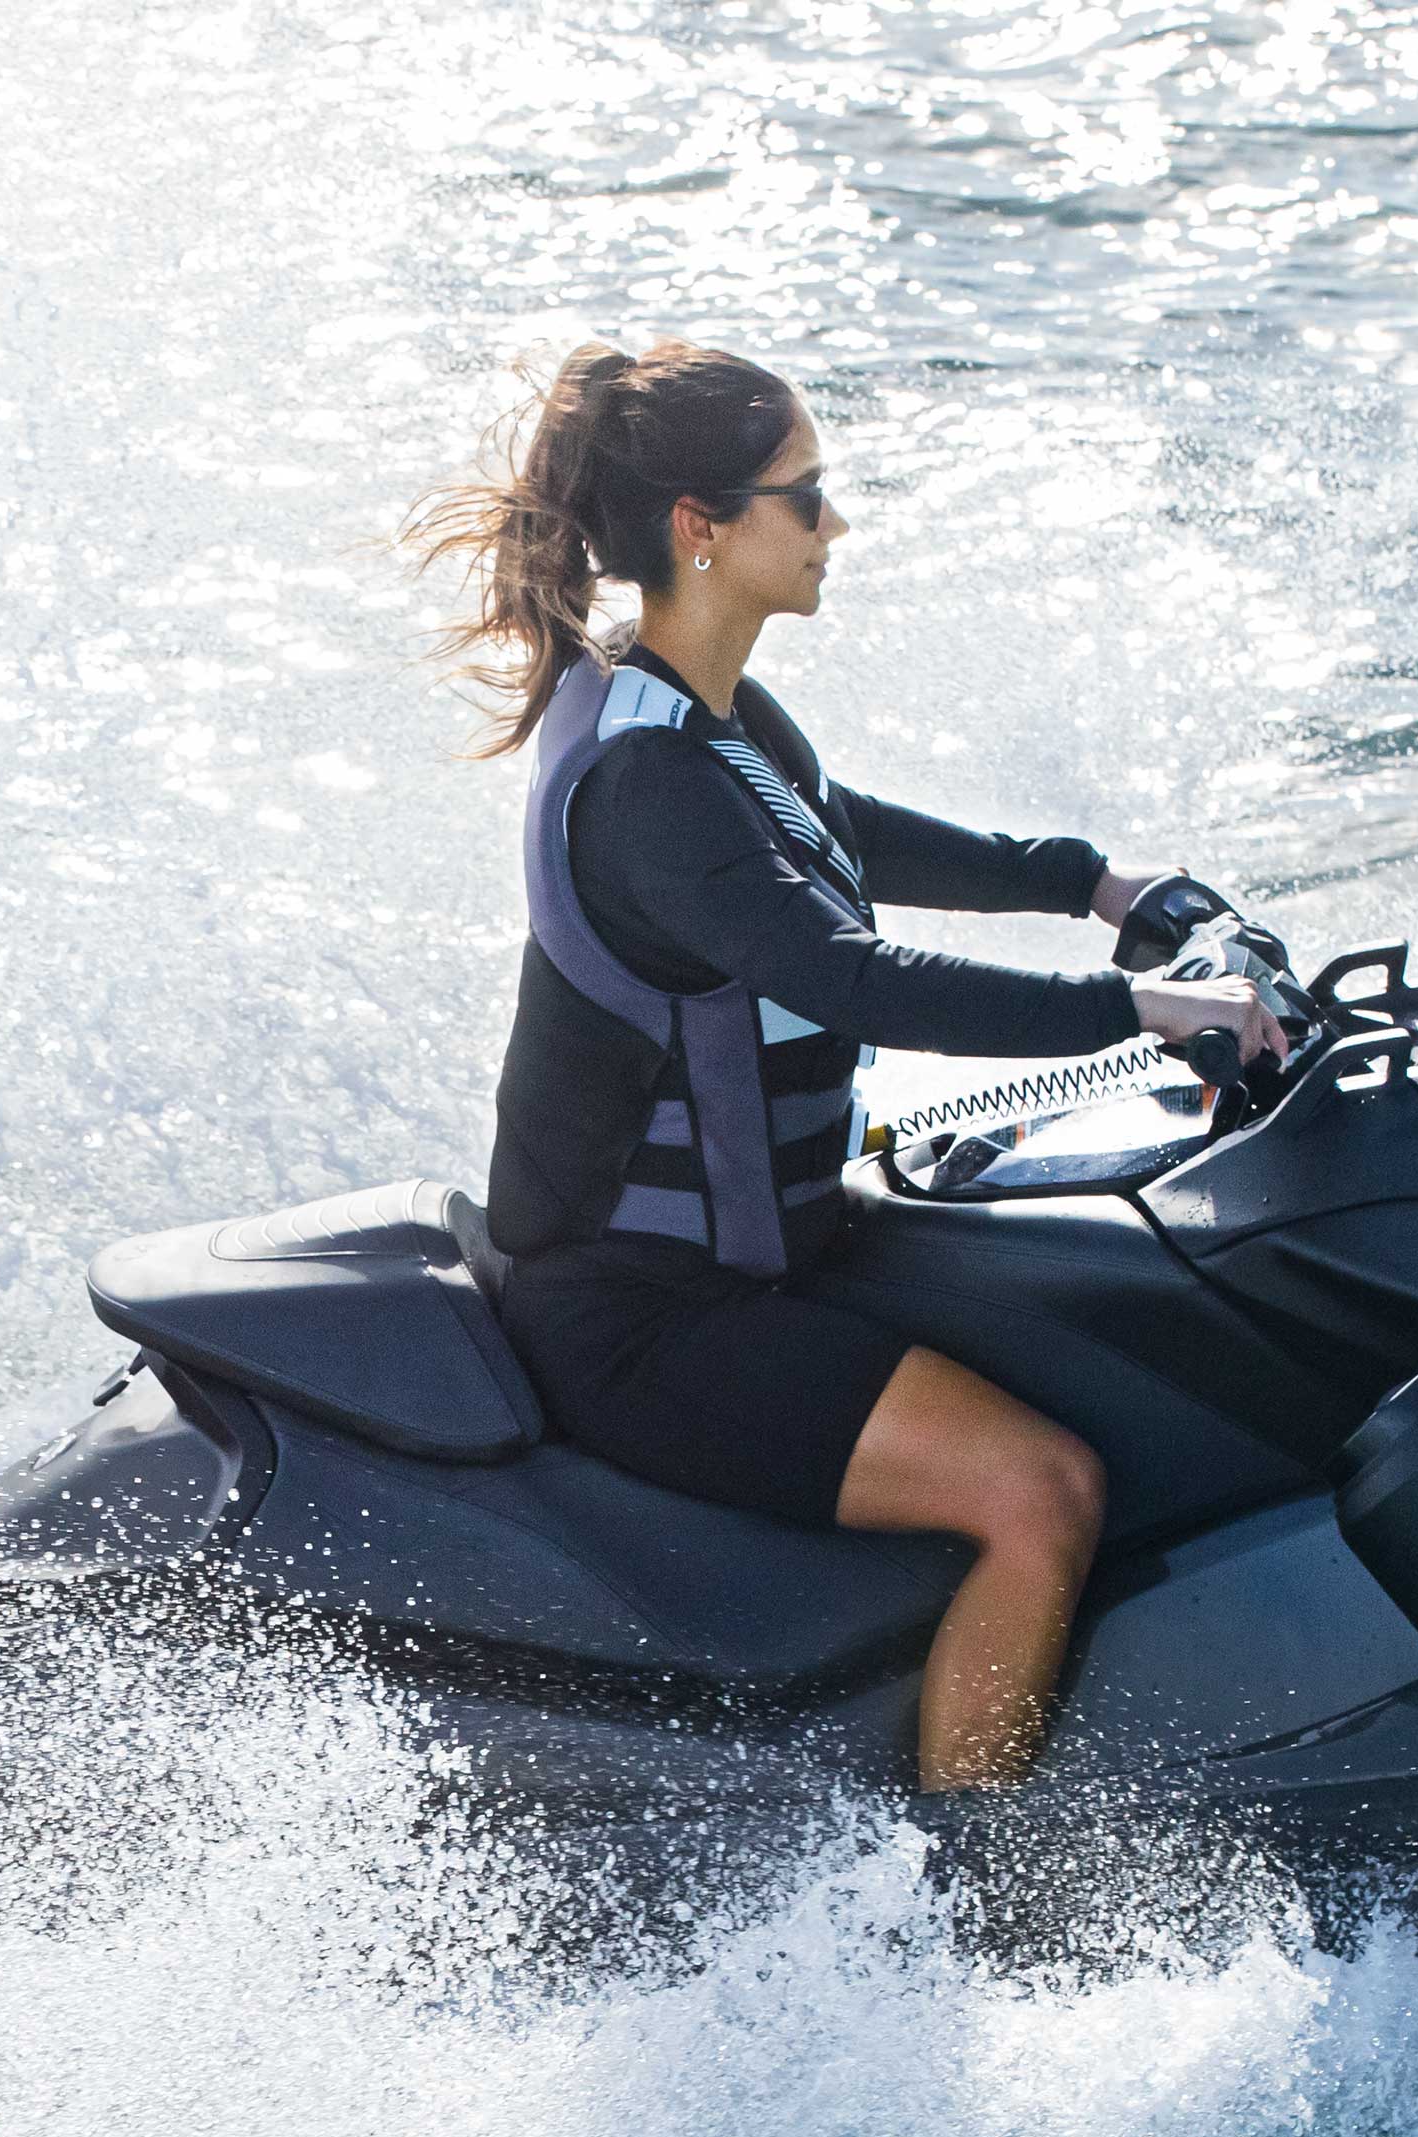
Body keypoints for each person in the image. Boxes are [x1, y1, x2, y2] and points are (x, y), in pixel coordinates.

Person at [406, 340, 1287, 1792]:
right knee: (1040, 1489)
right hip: (646, 1321)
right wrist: (1142, 1011)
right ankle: (971, 1896)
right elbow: (844, 975)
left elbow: (847, 830)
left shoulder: (702, 710)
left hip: (780, 1254)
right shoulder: (648, 782)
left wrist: (1103, 884)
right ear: (703, 528)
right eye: (803, 498)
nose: (834, 525)